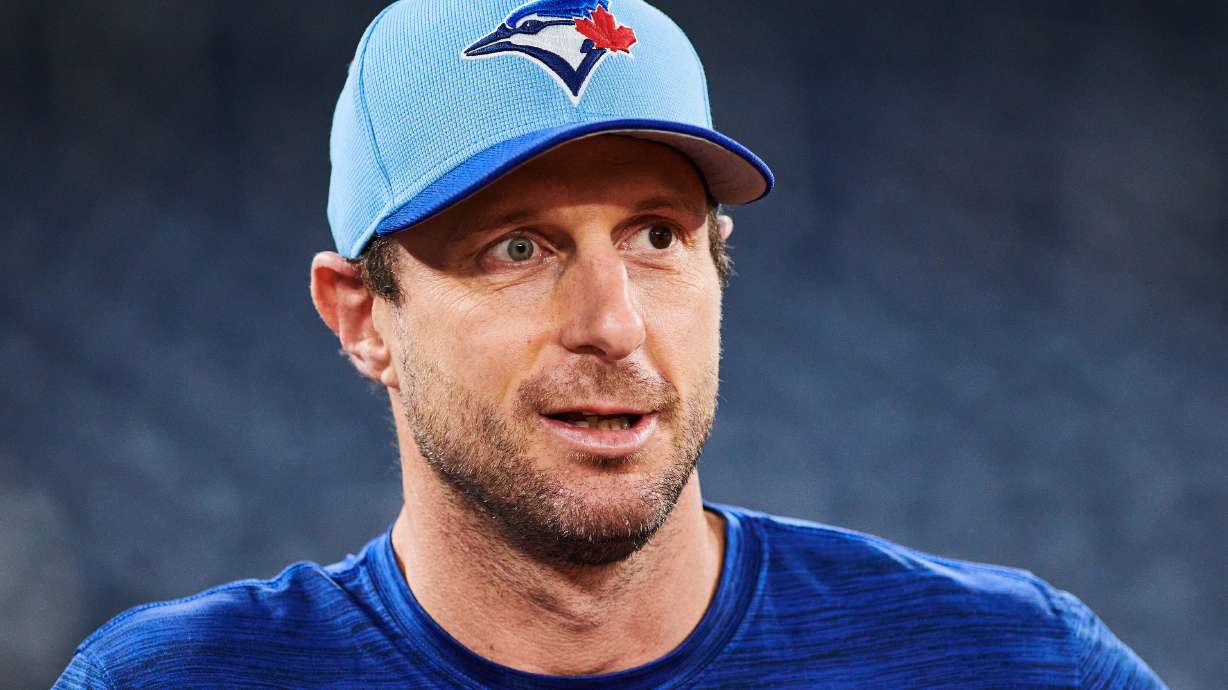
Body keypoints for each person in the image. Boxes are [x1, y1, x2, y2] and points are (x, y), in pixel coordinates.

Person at [56, 1, 1167, 688]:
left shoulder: (1003, 660)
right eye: (516, 249)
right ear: (360, 315)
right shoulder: (179, 680)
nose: (612, 323)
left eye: (654, 236)